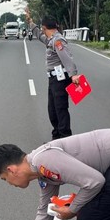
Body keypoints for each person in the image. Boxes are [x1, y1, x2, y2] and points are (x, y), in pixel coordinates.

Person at [26, 8, 79, 140]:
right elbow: (39, 35)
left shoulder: (57, 40)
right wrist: (30, 22)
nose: (41, 31)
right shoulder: (51, 40)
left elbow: (67, 57)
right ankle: (56, 138)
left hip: (60, 80)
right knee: (53, 110)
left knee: (60, 109)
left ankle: (65, 139)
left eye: (42, 28)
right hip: (54, 80)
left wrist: (73, 74)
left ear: (44, 27)